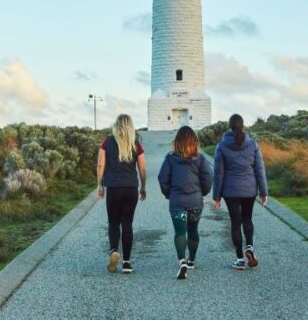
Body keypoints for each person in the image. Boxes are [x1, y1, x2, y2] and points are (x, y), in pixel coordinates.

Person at [212, 114, 268, 270]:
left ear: (229, 126)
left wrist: (216, 196)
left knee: (235, 223)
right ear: (243, 125)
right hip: (249, 190)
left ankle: (239, 259)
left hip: (230, 191)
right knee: (247, 219)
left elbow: (218, 173)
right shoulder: (253, 145)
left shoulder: (222, 146)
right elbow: (259, 169)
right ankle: (249, 246)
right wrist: (264, 192)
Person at [158, 126, 213, 280]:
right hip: (195, 202)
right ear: (194, 142)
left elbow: (163, 178)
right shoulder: (200, 159)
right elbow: (208, 179)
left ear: (177, 142)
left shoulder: (170, 158)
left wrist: (168, 194)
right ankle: (192, 260)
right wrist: (202, 193)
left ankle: (182, 260)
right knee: (193, 230)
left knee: (180, 232)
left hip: (177, 202)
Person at [96, 114, 146, 274]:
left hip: (114, 188)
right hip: (131, 188)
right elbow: (142, 169)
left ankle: (113, 251)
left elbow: (100, 165)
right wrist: (143, 186)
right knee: (127, 224)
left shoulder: (107, 142)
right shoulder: (135, 144)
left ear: (116, 126)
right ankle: (126, 263)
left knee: (113, 222)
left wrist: (100, 185)